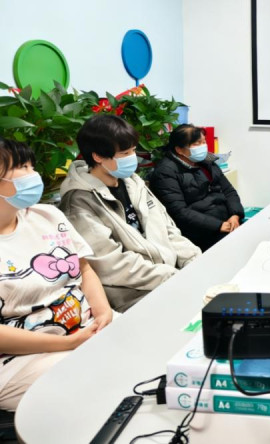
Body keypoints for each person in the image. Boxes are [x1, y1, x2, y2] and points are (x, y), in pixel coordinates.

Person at [0, 138, 112, 411]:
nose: (34, 175)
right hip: (22, 357)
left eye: (31, 165)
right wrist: (69, 343)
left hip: (86, 329)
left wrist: (103, 313)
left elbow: (84, 269)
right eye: (22, 167)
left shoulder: (48, 216)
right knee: (99, 383)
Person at [59, 115, 201, 312]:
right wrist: (172, 277)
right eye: (125, 153)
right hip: (133, 295)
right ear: (98, 156)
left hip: (169, 277)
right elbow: (111, 264)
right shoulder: (78, 202)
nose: (132, 157)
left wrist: (194, 261)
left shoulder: (133, 183)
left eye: (133, 150)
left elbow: (168, 230)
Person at [149, 124, 244, 251]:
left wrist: (235, 215)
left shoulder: (207, 161)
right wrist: (218, 225)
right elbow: (179, 212)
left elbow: (228, 190)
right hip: (200, 232)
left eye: (204, 142)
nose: (203, 146)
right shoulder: (165, 172)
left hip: (227, 221)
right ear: (179, 150)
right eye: (196, 144)